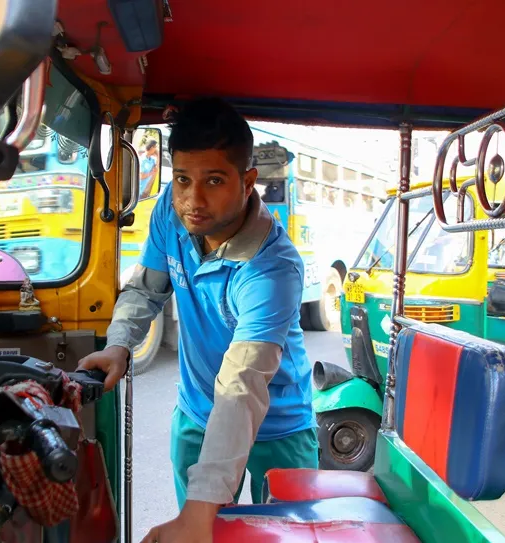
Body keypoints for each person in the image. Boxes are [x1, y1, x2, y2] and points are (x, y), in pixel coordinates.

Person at [77, 97, 317, 542]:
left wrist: (201, 510)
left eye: (214, 180)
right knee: (197, 531)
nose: (193, 199)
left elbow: (243, 382)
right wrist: (118, 345)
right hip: (196, 414)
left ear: (248, 181)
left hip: (279, 425)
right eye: (183, 179)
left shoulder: (273, 268)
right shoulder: (170, 209)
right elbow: (146, 288)